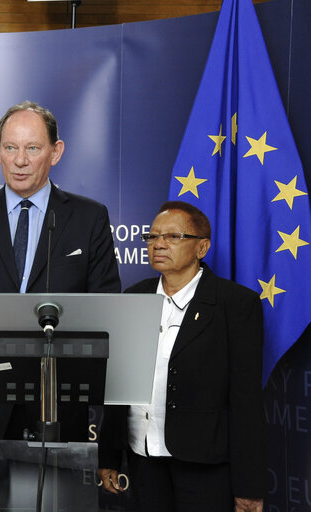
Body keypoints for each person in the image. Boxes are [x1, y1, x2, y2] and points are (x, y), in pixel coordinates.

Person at [0, 100, 121, 508]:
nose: (20, 161)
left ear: (56, 151)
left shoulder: (89, 218)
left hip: (59, 415)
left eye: (32, 148)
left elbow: (107, 308)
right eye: (11, 148)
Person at [98, 201, 266, 512]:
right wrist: (108, 455)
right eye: (151, 237)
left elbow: (247, 402)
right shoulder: (133, 299)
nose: (158, 244)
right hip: (142, 459)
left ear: (202, 247)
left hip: (205, 466)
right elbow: (119, 385)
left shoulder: (236, 305)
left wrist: (249, 485)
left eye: (173, 237)